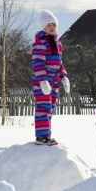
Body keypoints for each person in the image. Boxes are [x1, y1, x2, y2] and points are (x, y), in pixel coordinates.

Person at [31, 10, 70, 145]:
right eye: (49, 25)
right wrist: (42, 80)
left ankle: (46, 135)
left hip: (53, 82)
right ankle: (41, 137)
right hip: (42, 82)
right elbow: (37, 62)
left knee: (50, 108)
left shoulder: (57, 44)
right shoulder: (41, 42)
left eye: (54, 24)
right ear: (44, 27)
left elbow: (59, 63)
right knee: (43, 107)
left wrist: (64, 77)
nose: (52, 27)